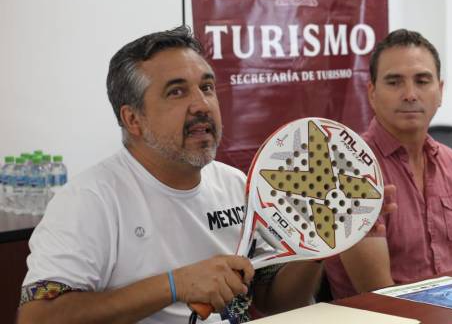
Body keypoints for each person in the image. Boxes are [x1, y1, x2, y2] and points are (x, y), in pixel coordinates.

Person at [18, 27, 328, 323]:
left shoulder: (236, 184)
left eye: (207, 87)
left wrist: (316, 247)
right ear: (133, 119)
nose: (202, 105)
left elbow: (276, 302)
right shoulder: (88, 201)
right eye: (176, 92)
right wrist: (174, 285)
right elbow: (38, 318)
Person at [323, 29, 452, 299]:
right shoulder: (349, 169)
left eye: (422, 81)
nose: (410, 94)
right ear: (372, 93)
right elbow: (380, 296)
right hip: (389, 315)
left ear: (440, 91)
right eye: (394, 82)